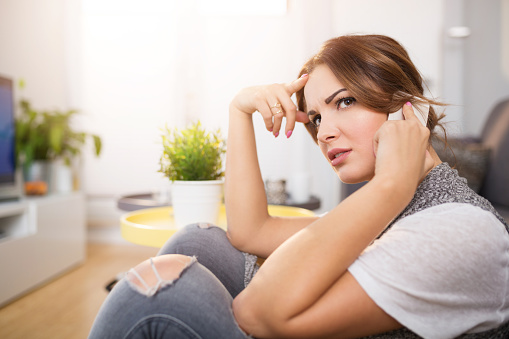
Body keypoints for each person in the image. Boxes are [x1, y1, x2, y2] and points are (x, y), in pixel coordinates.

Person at [89, 35, 509, 338]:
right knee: (199, 242)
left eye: (344, 101)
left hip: (269, 318)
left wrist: (389, 186)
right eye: (318, 117)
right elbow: (250, 232)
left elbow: (258, 315)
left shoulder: (461, 229)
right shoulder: (401, 203)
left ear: (407, 108)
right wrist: (240, 110)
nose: (324, 132)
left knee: (162, 292)